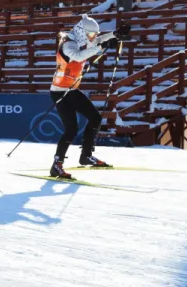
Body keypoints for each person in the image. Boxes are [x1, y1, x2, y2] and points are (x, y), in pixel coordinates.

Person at [48, 15, 129, 179]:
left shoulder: (81, 40)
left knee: (95, 118)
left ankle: (86, 155)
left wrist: (115, 34)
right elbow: (79, 56)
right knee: (71, 129)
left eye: (92, 35)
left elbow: (98, 40)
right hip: (59, 92)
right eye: (90, 34)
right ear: (81, 31)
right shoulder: (68, 45)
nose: (92, 38)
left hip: (71, 90)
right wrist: (102, 46)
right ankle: (56, 165)